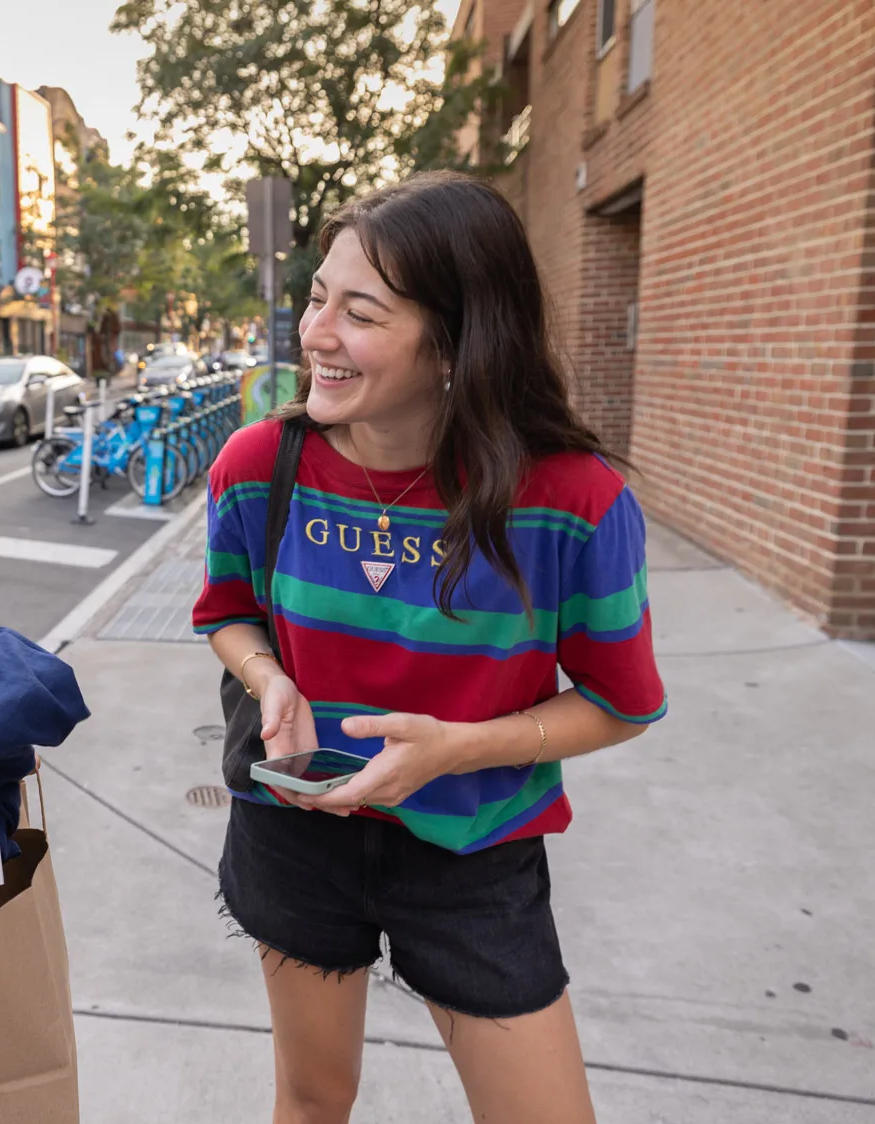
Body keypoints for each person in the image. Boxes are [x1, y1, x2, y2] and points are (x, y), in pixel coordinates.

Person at [193, 171, 667, 1124]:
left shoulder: (573, 504)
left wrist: (462, 749)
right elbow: (225, 612)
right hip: (297, 831)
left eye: (358, 312)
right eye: (316, 298)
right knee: (312, 1097)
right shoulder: (258, 463)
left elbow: (620, 702)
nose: (316, 333)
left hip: (475, 852)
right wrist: (266, 674)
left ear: (456, 341)